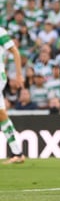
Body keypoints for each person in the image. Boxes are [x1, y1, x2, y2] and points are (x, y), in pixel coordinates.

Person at [0, 27, 25, 164]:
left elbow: (15, 51)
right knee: (1, 115)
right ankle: (17, 153)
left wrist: (19, 74)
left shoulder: (0, 32)